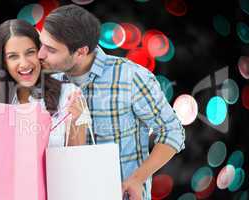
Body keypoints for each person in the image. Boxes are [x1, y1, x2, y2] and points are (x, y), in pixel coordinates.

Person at [37, 4, 185, 200]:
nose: (40, 54)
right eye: (41, 44)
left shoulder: (131, 77)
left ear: (81, 52)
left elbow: (172, 131)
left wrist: (137, 179)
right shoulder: (48, 83)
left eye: (51, 49)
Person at [0, 19, 87, 149]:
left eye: (30, 52)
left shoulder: (69, 95)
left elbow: (77, 163)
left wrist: (75, 122)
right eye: (13, 56)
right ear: (3, 62)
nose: (24, 63)